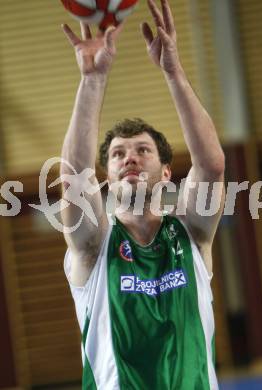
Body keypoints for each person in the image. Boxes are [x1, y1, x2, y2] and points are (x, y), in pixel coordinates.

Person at [61, 0, 225, 388]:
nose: (129, 159)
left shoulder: (191, 233)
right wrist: (93, 79)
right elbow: (74, 180)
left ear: (167, 172)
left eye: (142, 151)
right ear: (108, 177)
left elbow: (212, 166)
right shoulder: (94, 246)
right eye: (118, 154)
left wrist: (173, 71)